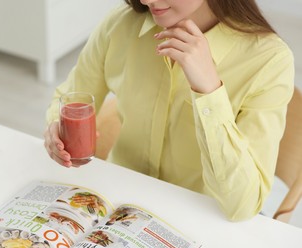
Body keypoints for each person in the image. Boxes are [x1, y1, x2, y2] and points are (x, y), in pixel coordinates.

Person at [44, 0, 295, 221]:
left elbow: (243, 205)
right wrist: (56, 129)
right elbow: (71, 96)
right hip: (117, 203)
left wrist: (208, 91)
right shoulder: (120, 25)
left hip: (202, 219)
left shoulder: (269, 60)